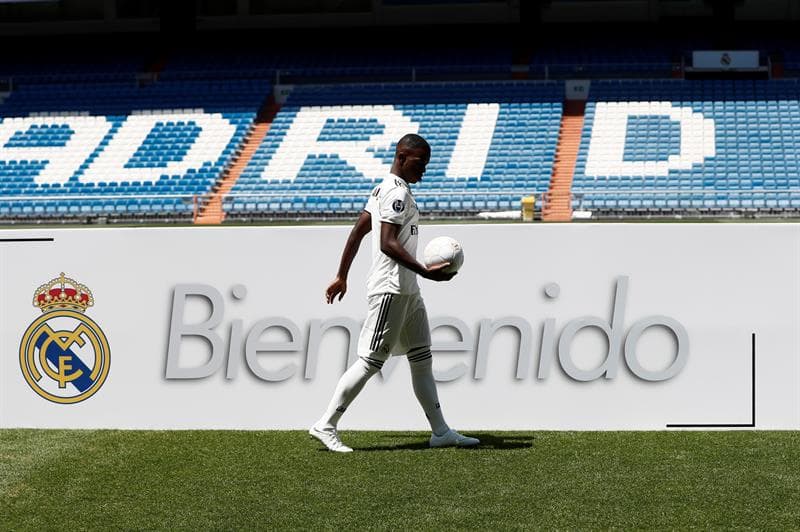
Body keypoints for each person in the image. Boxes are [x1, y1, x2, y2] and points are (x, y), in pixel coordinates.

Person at [309, 133, 479, 452]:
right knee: (371, 361)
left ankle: (440, 432)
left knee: (421, 357)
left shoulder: (385, 189)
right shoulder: (395, 192)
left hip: (407, 290)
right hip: (391, 288)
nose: (424, 169)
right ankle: (326, 424)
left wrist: (342, 275)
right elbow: (387, 243)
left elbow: (358, 231)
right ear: (402, 157)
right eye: (420, 162)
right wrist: (425, 272)